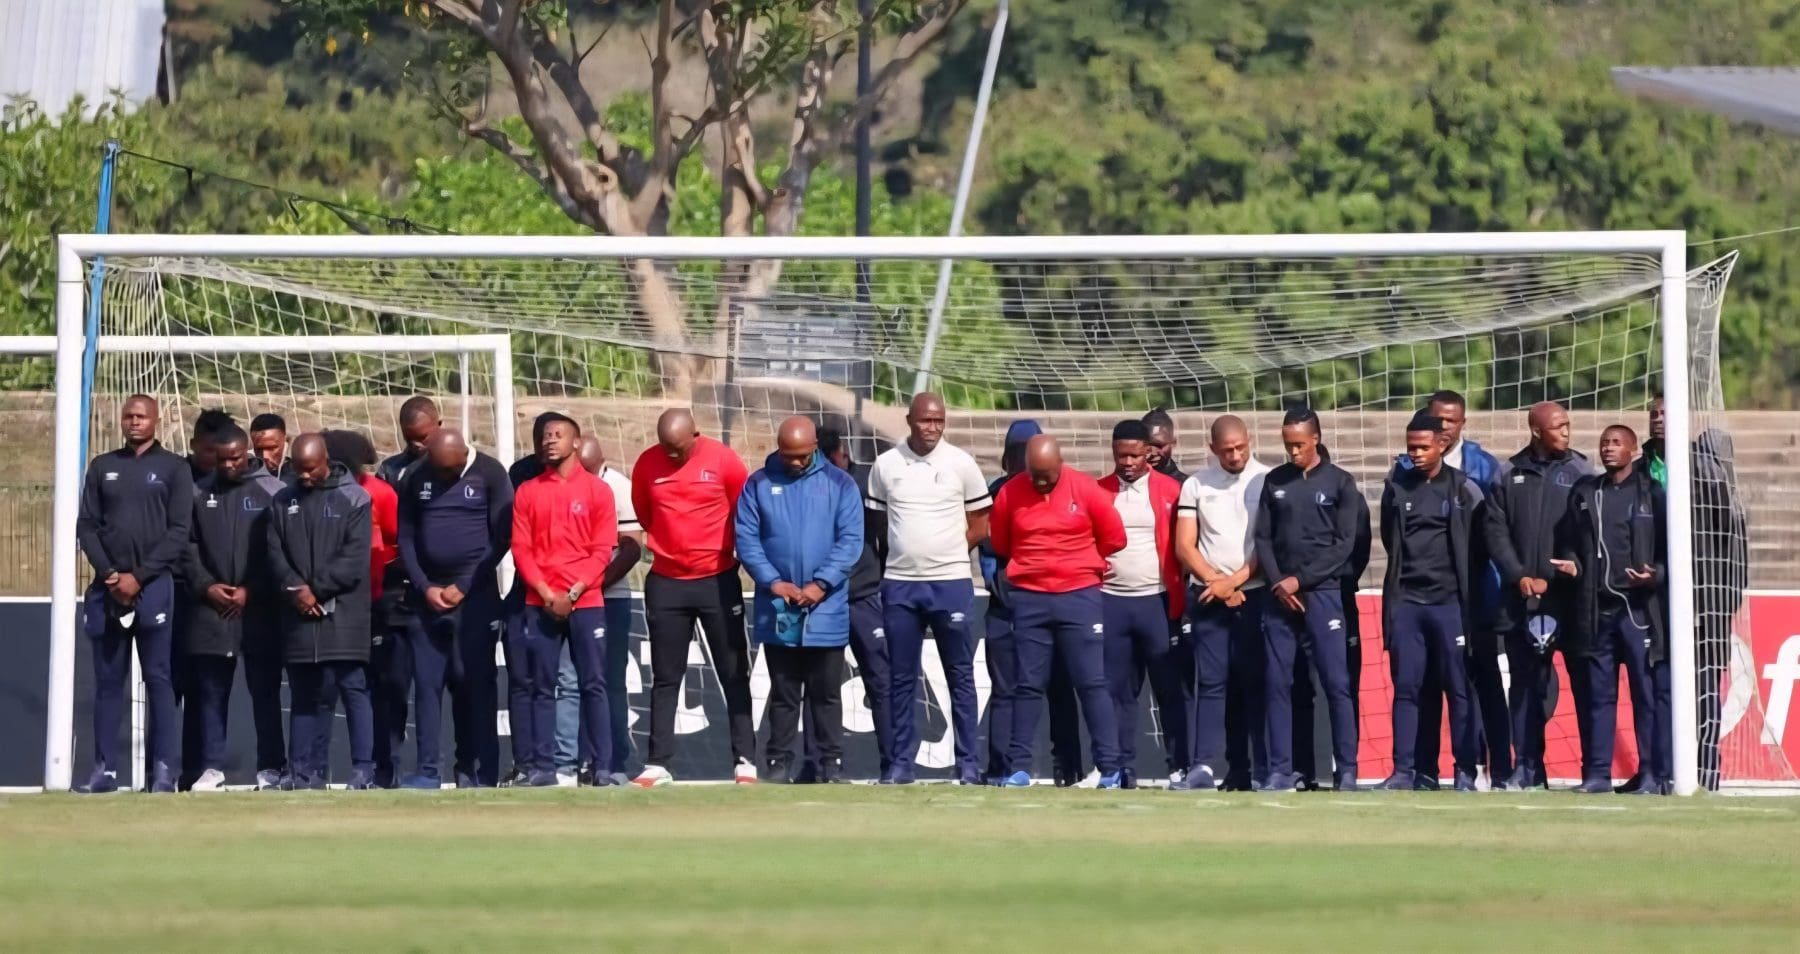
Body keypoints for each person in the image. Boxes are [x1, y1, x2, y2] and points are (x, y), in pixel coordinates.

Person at [867, 393, 990, 785]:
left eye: (939, 420)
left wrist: (948, 553)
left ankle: (967, 763)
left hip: (950, 584)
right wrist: (907, 555)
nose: (932, 427)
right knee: (901, 677)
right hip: (901, 586)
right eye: (925, 420)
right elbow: (878, 524)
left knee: (960, 676)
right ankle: (901, 763)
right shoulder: (886, 465)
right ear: (909, 420)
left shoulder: (961, 463)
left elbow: (980, 524)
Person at [990, 435, 1126, 788]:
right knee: (1027, 684)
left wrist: (1078, 564)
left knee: (1091, 682)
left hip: (1079, 596)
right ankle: (1019, 768)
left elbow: (1115, 537)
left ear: (1061, 463)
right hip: (1030, 598)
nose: (1040, 482)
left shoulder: (1086, 488)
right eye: (1034, 474)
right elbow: (1001, 542)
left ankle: (1110, 768)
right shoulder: (1009, 493)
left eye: (1047, 475)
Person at [631, 409, 755, 786]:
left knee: (733, 672)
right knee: (666, 676)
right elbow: (645, 514)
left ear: (695, 435)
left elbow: (744, 511)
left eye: (679, 449)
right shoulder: (646, 464)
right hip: (667, 583)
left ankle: (745, 760)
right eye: (666, 448)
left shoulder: (725, 461)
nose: (672, 455)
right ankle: (658, 763)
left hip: (717, 580)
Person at [735, 417, 864, 782]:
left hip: (827, 606)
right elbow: (747, 539)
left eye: (802, 456)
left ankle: (830, 764)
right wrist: (773, 582)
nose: (794, 462)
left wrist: (822, 584)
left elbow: (851, 541)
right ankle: (778, 763)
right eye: (787, 455)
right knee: (784, 692)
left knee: (826, 694)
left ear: (814, 449)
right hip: (780, 607)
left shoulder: (840, 484)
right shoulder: (758, 484)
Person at [75, 395, 193, 793]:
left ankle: (164, 771)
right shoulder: (102, 466)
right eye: (128, 416)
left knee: (159, 678)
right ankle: (104, 771)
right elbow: (87, 525)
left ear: (156, 420)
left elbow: (179, 531)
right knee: (109, 681)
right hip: (108, 588)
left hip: (153, 586)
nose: (134, 422)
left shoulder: (174, 468)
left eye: (141, 416)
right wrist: (110, 575)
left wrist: (139, 576)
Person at [1399, 391, 1508, 791]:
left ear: (1463, 423)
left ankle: (1498, 769)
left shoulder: (1483, 468)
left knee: (1481, 683)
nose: (1444, 427)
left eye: (1452, 420)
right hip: (1423, 598)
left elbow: (1492, 533)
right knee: (1425, 684)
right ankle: (1423, 770)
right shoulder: (1404, 469)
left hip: (1475, 596)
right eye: (1438, 419)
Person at [1253, 407, 1364, 792]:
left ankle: (1346, 769)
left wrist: (1299, 581)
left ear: (1316, 438)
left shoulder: (1341, 483)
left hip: (1323, 595)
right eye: (1288, 445)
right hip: (1280, 599)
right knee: (1278, 682)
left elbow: (1344, 545)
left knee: (1336, 683)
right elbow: (1263, 538)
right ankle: (1282, 770)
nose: (1294, 451)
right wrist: (1278, 583)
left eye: (1299, 444)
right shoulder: (1274, 481)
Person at [1483, 402, 1592, 790]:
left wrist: (1558, 576)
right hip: (1520, 601)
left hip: (1569, 602)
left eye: (1567, 424)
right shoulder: (1508, 473)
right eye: (1558, 426)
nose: (1566, 432)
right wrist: (1518, 576)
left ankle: (1594, 771)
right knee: (1525, 687)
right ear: (1536, 431)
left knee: (1584, 686)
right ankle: (1528, 767)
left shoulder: (1582, 473)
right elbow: (1495, 531)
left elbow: (1591, 535)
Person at [396, 429, 512, 789]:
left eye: (451, 471)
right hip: (427, 599)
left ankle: (477, 772)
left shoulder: (490, 472)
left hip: (475, 597)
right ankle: (428, 771)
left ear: (464, 455)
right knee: (427, 684)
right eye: (438, 470)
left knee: (473, 683)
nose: (444, 477)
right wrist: (424, 585)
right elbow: (405, 537)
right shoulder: (415, 474)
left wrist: (464, 584)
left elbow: (502, 537)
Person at [1378, 412, 1486, 792]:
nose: (1417, 454)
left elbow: (1478, 546)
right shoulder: (1397, 487)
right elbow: (1390, 539)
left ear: (1442, 444)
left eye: (1424, 447)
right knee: (1407, 687)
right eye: (1412, 448)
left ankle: (1465, 770)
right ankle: (1406, 770)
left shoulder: (1463, 488)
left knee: (1458, 689)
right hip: (1408, 603)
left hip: (1450, 604)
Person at [511, 414, 618, 787]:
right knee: (541, 685)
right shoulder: (528, 491)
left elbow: (602, 550)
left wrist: (572, 593)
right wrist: (546, 593)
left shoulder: (597, 491)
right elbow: (521, 549)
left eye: (558, 435)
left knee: (593, 684)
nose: (550, 440)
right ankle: (544, 768)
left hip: (585, 602)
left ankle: (601, 766)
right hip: (540, 602)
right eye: (546, 435)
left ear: (576, 442)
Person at [978, 420, 1087, 786]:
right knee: (1006, 689)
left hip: (1056, 603)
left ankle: (1068, 767)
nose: (1025, 461)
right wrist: (1008, 591)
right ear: (1006, 458)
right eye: (1018, 453)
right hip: (1007, 608)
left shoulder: (1064, 491)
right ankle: (1001, 767)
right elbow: (990, 554)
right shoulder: (995, 495)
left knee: (1060, 686)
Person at [1562, 425, 1669, 795]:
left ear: (1632, 449)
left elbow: (1670, 550)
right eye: (1604, 442)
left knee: (1646, 696)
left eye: (1617, 443)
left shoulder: (1651, 494)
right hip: (1598, 612)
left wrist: (1656, 575)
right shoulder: (1586, 492)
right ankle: (1596, 774)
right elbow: (1568, 540)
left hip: (1638, 611)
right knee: (1598, 696)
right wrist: (1573, 563)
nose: (1609, 448)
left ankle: (1651, 773)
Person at [182, 424, 287, 792]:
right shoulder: (197, 493)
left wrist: (250, 590)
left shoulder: (272, 492)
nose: (229, 465)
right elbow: (186, 548)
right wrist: (206, 586)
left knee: (265, 692)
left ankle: (271, 767)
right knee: (212, 694)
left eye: (236, 458)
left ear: (247, 454)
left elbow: (279, 552)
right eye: (222, 459)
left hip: (259, 612)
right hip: (211, 610)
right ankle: (212, 768)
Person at [267, 433, 374, 790]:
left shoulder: (355, 498)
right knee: (303, 696)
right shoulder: (282, 500)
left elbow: (354, 559)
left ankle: (363, 771)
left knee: (353, 689)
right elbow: (275, 554)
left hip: (344, 614)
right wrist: (297, 589)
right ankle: (303, 773)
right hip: (299, 614)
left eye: (310, 469)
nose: (304, 476)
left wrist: (318, 590)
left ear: (325, 460)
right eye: (299, 469)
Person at [1171, 415, 1271, 792]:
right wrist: (1218, 581)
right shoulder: (1196, 484)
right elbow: (1185, 545)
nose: (1235, 455)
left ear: (1249, 440)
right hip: (1210, 595)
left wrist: (1235, 580)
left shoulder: (1266, 480)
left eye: (1240, 447)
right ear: (1212, 448)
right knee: (1211, 682)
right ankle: (1203, 767)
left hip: (1254, 593)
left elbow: (1268, 543)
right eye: (1227, 450)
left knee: (1255, 682)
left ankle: (1259, 768)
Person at [548, 434, 644, 786]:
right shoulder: (556, 486)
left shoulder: (618, 487)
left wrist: (592, 584)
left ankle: (612, 761)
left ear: (599, 464)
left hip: (608, 598)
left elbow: (632, 548)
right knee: (567, 681)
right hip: (565, 598)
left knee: (607, 681)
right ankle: (566, 764)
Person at [1097, 419, 1188, 788]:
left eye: (1135, 455)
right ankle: (1120, 769)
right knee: (1117, 692)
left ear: (1147, 453)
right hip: (1112, 601)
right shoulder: (1097, 491)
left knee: (1170, 690)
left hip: (1158, 602)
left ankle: (1179, 766)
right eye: (1122, 456)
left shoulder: (1171, 489)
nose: (1128, 462)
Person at [323, 429, 406, 789]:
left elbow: (397, 541)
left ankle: (385, 767)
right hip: (334, 606)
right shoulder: (318, 494)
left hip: (377, 604)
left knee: (382, 688)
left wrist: (378, 575)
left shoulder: (380, 493)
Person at [820, 426, 893, 779]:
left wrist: (886, 581)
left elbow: (884, 532)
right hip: (822, 598)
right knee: (821, 686)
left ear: (842, 453)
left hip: (865, 595)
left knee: (881, 682)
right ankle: (823, 764)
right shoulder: (807, 485)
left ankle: (894, 761)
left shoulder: (867, 481)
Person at [175, 407, 235, 789]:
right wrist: (203, 584)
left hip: (229, 605)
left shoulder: (242, 487)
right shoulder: (177, 478)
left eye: (221, 451)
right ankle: (165, 772)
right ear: (195, 444)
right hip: (182, 598)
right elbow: (182, 542)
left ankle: (204, 769)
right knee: (175, 688)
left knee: (210, 690)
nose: (215, 459)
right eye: (208, 450)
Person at [1692, 428, 1748, 791]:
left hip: (1710, 615)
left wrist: (1718, 610)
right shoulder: (1693, 505)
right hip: (1704, 613)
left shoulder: (1729, 508)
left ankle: (1706, 768)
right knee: (1693, 691)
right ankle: (1692, 767)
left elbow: (1738, 572)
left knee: (1704, 691)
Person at [251, 413, 293, 479]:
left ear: (286, 442)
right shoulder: (247, 477)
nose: (265, 456)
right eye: (259, 449)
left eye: (271, 448)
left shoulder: (301, 476)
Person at [1641, 395, 1667, 487]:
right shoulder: (1640, 461)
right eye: (1654, 414)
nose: (1657, 419)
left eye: (1665, 414)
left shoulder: (1697, 459)